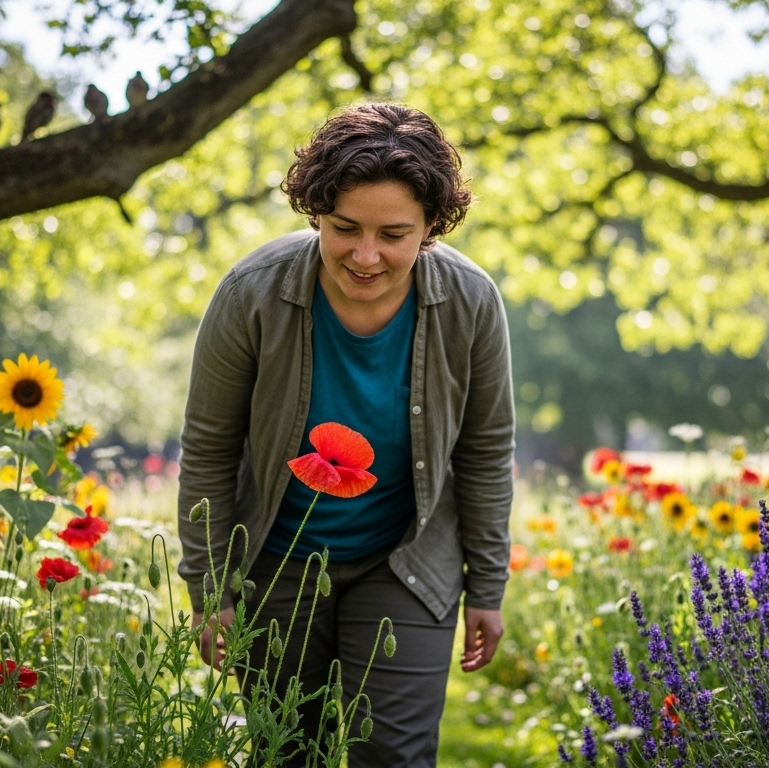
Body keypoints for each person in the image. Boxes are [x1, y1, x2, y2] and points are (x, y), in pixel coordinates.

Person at [176, 102, 515, 767]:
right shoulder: (252, 293)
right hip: (277, 561)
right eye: (344, 228)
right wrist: (209, 593)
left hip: (406, 561)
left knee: (391, 755)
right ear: (315, 214)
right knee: (286, 752)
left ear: (430, 229)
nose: (365, 256)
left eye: (394, 234)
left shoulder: (471, 302)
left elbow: (486, 452)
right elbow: (210, 448)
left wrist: (489, 588)